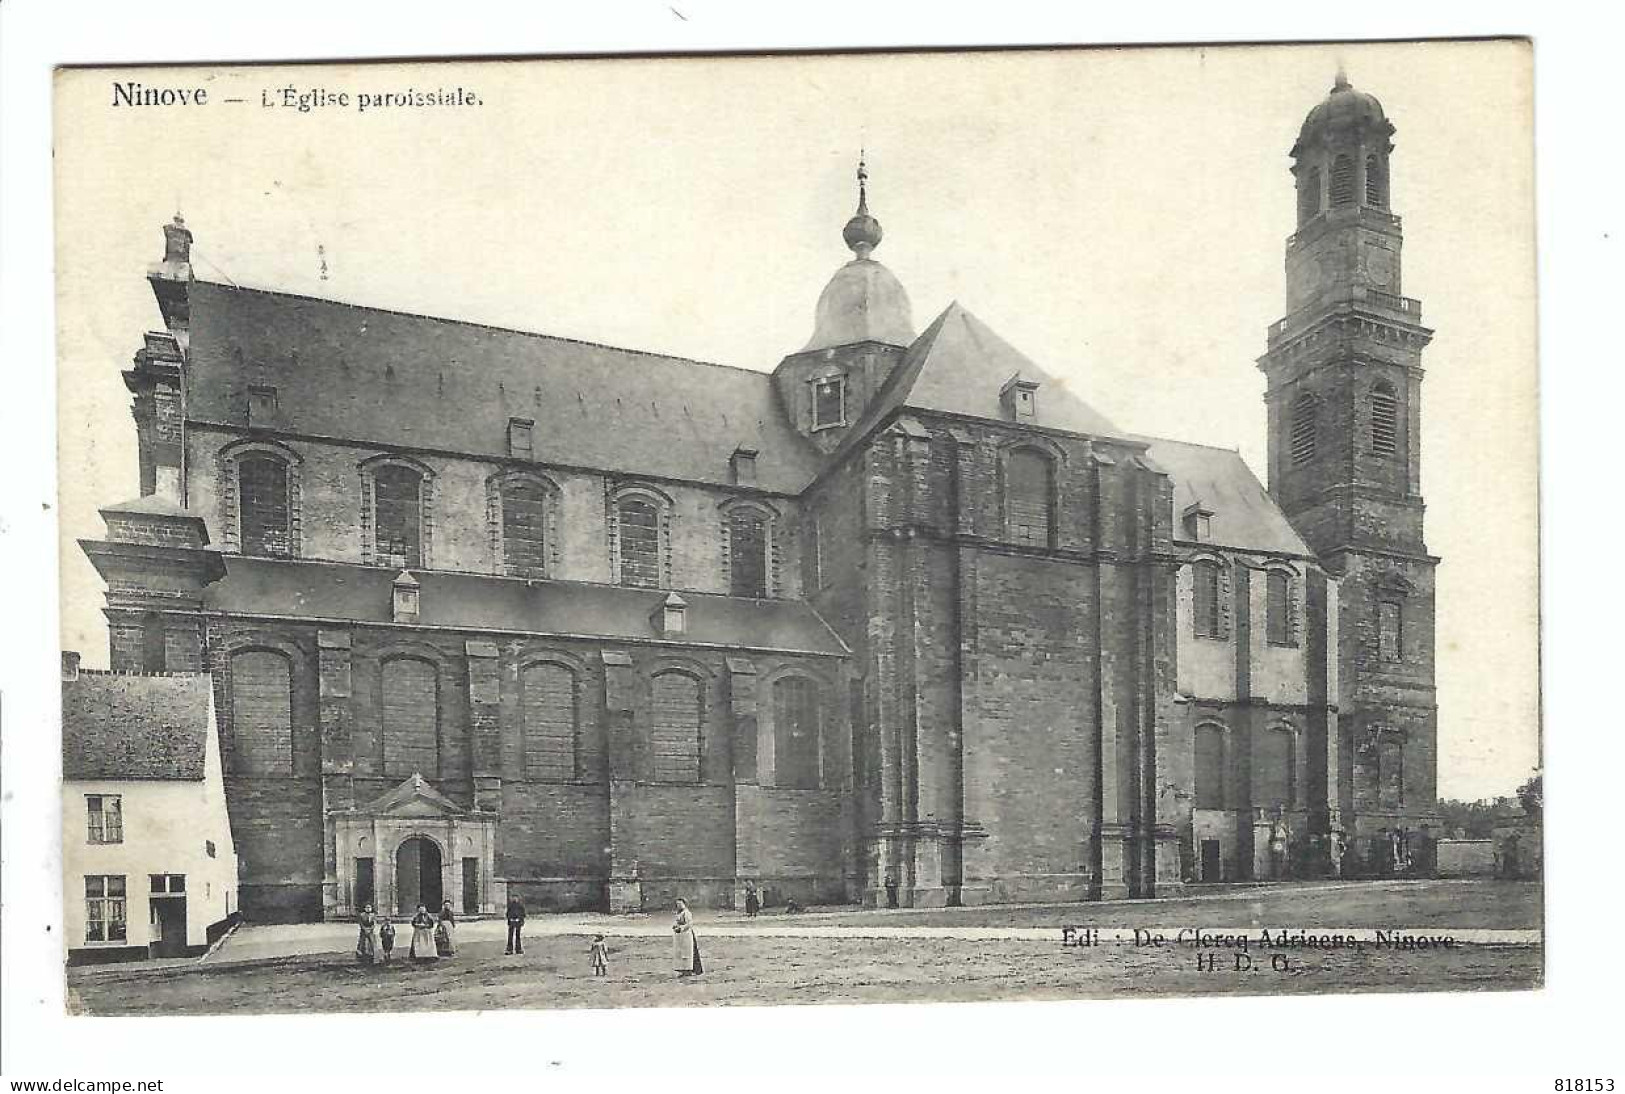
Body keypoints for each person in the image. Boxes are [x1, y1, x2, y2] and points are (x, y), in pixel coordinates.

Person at [672, 899, 703, 977]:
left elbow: (689, 924)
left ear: (685, 904)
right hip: (680, 936)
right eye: (677, 904)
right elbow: (677, 921)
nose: (679, 906)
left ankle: (689, 969)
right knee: (680, 952)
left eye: (680, 904)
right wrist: (675, 926)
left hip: (687, 935)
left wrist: (681, 928)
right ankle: (682, 969)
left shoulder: (687, 913)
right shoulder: (678, 913)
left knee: (688, 953)